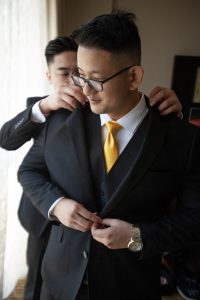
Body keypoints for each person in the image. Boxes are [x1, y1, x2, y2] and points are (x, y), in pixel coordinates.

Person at [0, 33, 182, 299]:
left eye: (82, 74)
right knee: (35, 287)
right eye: (67, 74)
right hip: (43, 221)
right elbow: (8, 142)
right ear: (49, 76)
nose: (79, 85)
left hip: (115, 267)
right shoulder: (50, 112)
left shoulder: (108, 108)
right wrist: (45, 106)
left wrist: (167, 123)